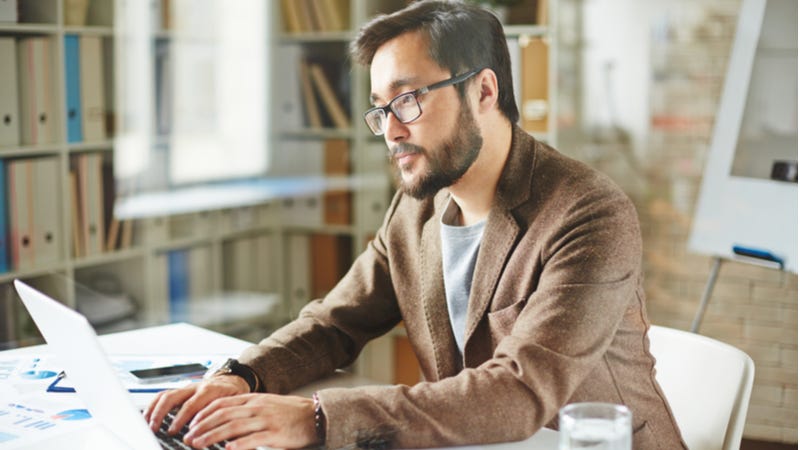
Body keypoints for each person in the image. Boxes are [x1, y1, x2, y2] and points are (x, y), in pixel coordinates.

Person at [145, 1, 687, 449]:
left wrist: (317, 418)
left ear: (484, 91)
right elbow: (335, 323)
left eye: (407, 100)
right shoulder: (417, 208)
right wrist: (241, 376)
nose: (391, 131)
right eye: (381, 109)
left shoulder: (588, 213)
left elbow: (519, 391)